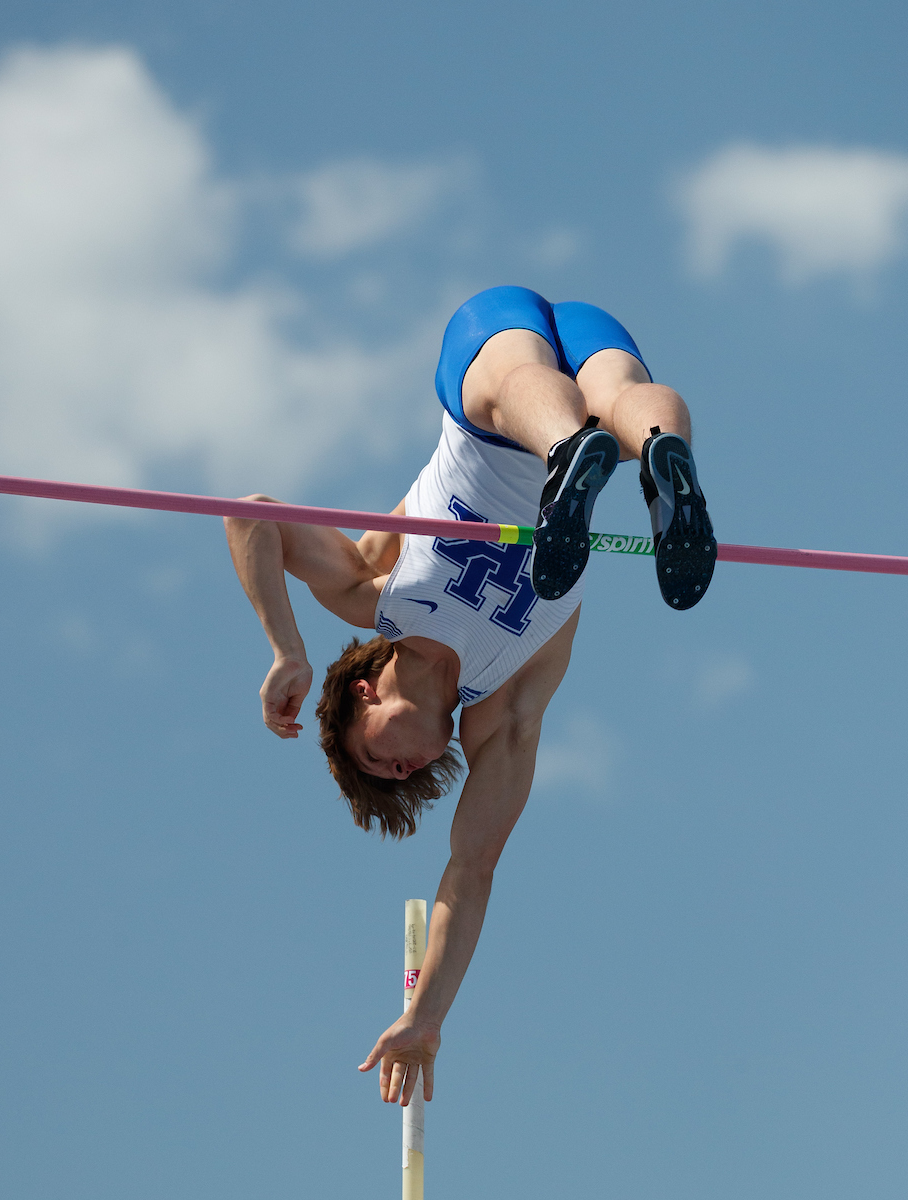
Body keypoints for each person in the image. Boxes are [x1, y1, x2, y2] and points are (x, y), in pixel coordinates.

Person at [224, 285, 715, 1107]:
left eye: (378, 757)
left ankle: (573, 460)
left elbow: (252, 517)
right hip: (585, 396)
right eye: (405, 774)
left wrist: (284, 647)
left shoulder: (371, 589)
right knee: (621, 408)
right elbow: (470, 868)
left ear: (363, 689)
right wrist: (425, 1015)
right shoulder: (505, 705)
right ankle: (663, 459)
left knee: (505, 390)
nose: (408, 763)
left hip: (493, 366)